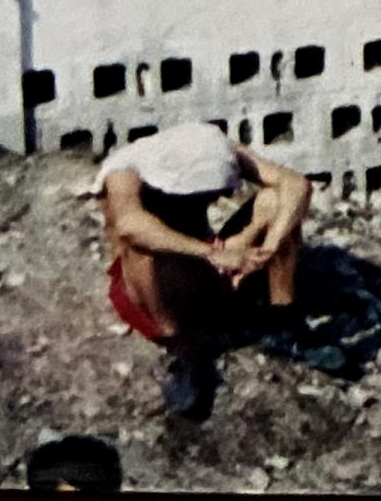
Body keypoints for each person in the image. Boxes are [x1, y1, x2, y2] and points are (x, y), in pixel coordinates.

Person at [97, 120, 311, 422]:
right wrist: (213, 253)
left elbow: (296, 184)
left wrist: (270, 245)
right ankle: (184, 350)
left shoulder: (218, 149)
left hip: (206, 267)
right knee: (141, 247)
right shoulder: (125, 169)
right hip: (157, 289)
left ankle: (282, 319)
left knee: (277, 203)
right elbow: (131, 226)